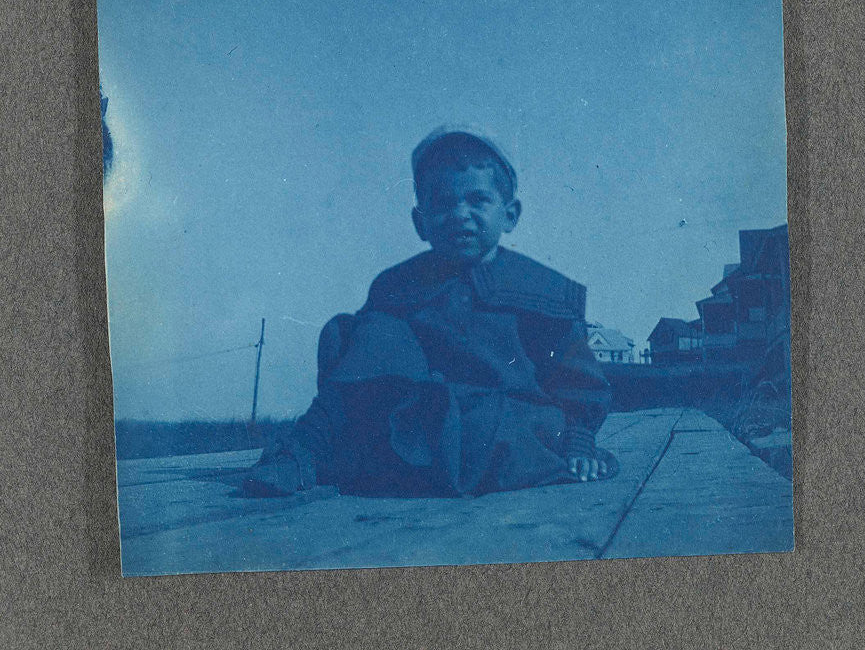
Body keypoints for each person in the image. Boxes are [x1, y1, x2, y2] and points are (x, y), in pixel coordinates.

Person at [244, 125, 617, 498]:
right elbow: (358, 374)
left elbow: (579, 382)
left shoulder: (542, 291)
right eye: (442, 203)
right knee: (365, 332)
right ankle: (306, 446)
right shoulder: (397, 286)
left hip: (503, 425)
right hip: (412, 425)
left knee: (515, 436)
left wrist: (579, 441)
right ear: (420, 223)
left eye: (477, 200)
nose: (460, 214)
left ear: (509, 215)